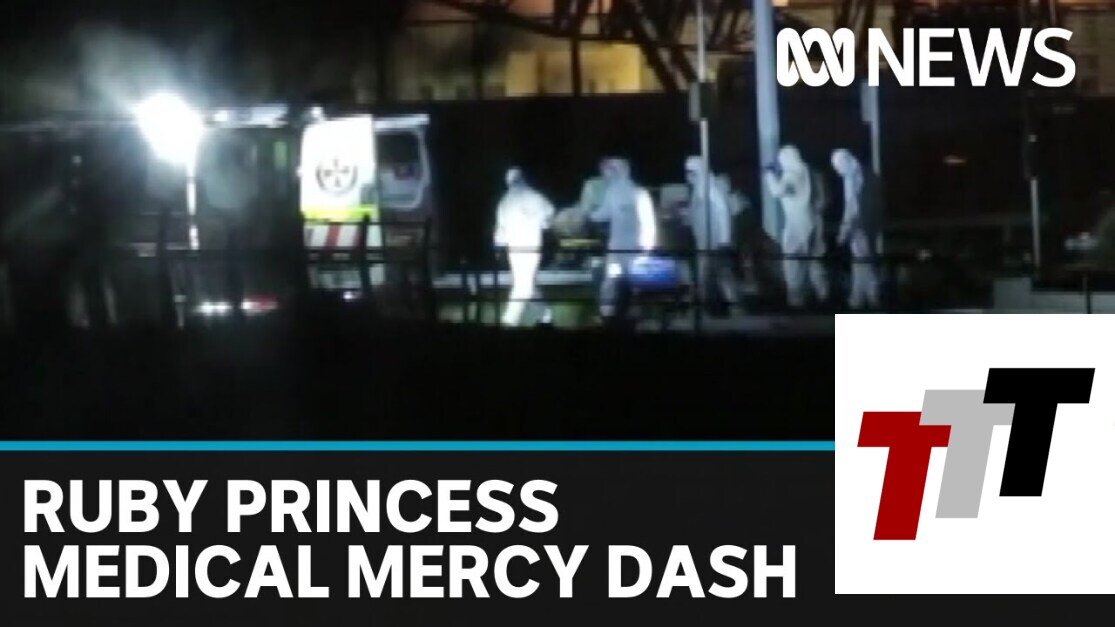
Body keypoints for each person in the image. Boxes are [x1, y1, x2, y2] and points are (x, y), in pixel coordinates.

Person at [588, 158, 656, 320]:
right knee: (613, 281)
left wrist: (647, 249)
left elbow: (648, 224)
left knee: (632, 284)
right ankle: (609, 313)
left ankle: (629, 314)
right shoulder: (614, 193)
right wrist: (589, 215)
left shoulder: (639, 194)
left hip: (634, 250)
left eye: (611, 170)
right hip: (618, 250)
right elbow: (603, 214)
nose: (607, 174)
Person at [764, 145, 829, 308]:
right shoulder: (805, 170)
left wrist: (769, 175)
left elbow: (777, 191)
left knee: (792, 263)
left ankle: (796, 300)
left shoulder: (791, 174)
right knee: (813, 262)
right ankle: (824, 295)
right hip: (809, 222)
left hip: (796, 225)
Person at [493, 167, 555, 326]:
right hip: (527, 247)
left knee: (523, 284)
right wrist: (544, 223)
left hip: (521, 248)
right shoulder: (534, 197)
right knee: (527, 283)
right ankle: (545, 316)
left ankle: (509, 321)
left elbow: (500, 231)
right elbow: (550, 214)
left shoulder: (505, 202)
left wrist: (498, 246)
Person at [684, 156, 739, 313]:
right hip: (703, 241)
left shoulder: (711, 187)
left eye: (692, 172)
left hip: (715, 241)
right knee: (706, 272)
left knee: (722, 273)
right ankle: (706, 305)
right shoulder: (698, 189)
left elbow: (722, 212)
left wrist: (724, 239)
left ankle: (734, 305)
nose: (689, 176)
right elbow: (696, 213)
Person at [831, 149, 881, 309]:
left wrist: (843, 232)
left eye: (838, 166)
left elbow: (851, 207)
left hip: (859, 227)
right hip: (867, 224)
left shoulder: (851, 177)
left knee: (864, 262)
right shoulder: (863, 172)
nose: (838, 171)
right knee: (861, 262)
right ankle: (859, 297)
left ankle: (870, 297)